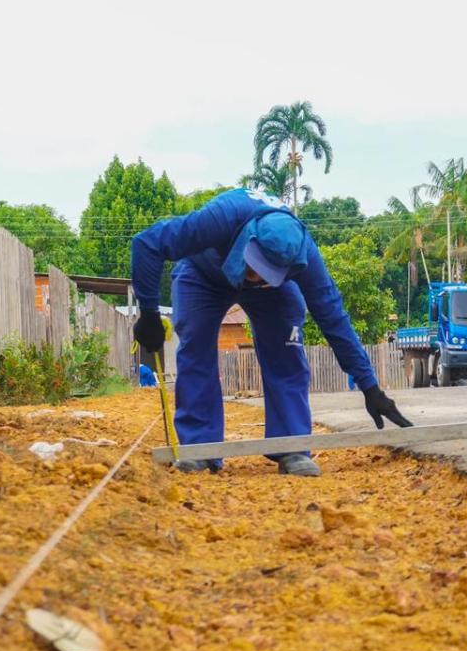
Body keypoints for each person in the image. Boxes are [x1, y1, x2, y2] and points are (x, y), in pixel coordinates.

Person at [130, 187, 412, 477]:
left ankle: (291, 445)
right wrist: (149, 312)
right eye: (253, 267)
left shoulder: (304, 257)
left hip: (274, 292)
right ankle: (200, 448)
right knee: (195, 347)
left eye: (265, 272)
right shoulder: (219, 219)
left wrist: (370, 387)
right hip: (204, 275)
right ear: (247, 239)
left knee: (287, 353)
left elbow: (334, 319)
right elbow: (147, 244)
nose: (253, 277)